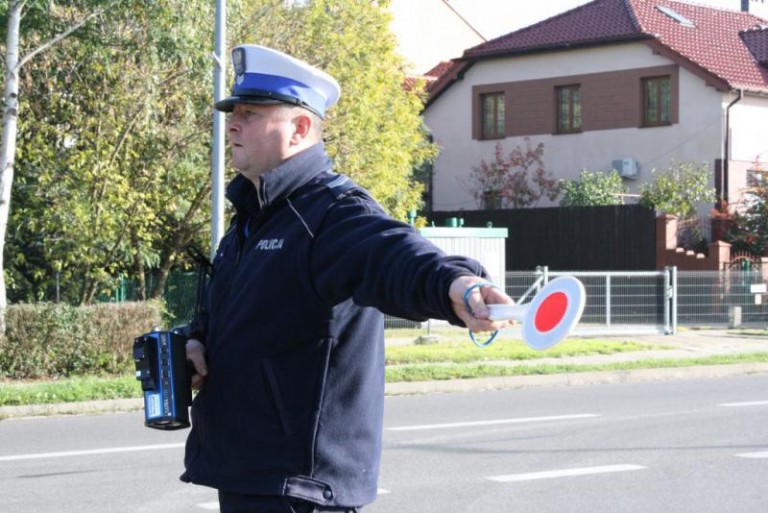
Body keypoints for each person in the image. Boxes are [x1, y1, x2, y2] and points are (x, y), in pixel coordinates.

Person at [181, 44, 514, 513]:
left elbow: (391, 251)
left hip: (301, 490)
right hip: (247, 472)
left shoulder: (331, 212)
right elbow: (243, 318)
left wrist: (457, 285)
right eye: (232, 113)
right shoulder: (252, 220)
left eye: (251, 114)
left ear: (300, 128)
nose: (232, 123)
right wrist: (196, 343)